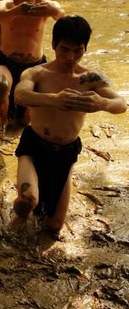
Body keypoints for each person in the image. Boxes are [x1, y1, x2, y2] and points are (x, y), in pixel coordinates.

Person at [11, 15, 126, 237]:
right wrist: (54, 99)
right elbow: (20, 95)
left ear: (85, 49)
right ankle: (18, 217)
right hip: (34, 146)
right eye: (64, 49)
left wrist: (101, 103)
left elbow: (121, 104)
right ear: (53, 45)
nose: (70, 56)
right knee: (28, 200)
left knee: (53, 227)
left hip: (66, 152)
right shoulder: (37, 72)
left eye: (78, 50)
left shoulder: (91, 78)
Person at [0, 0, 65, 129]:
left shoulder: (46, 7)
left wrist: (56, 11)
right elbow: (0, 16)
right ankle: (4, 119)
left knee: (25, 121)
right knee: (2, 84)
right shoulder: (6, 4)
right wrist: (18, 10)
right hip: (6, 61)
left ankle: (22, 119)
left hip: (34, 64)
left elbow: (67, 22)